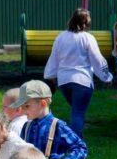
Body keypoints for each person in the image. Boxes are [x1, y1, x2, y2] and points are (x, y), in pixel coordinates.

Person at [44, 9, 113, 138]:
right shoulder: (88, 38)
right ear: (86, 22)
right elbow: (97, 59)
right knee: (78, 112)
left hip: (64, 81)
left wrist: (50, 75)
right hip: (82, 80)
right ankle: (75, 143)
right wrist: (107, 77)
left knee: (76, 110)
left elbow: (54, 57)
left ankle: (76, 139)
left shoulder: (61, 37)